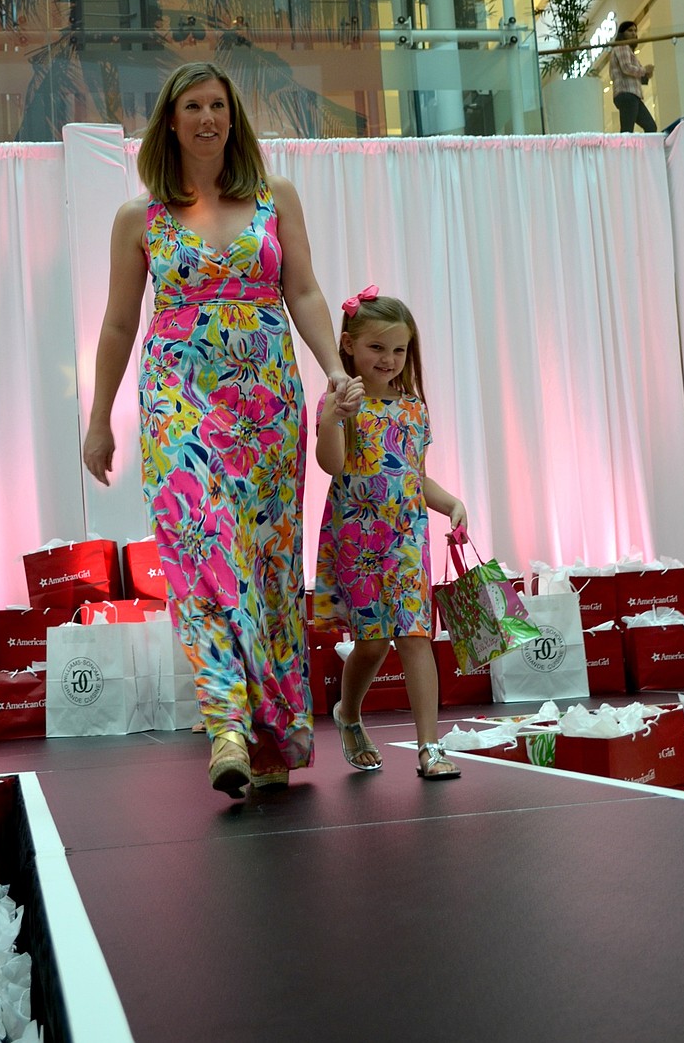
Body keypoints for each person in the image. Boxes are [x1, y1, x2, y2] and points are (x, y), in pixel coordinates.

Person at [82, 61, 363, 799]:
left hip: (266, 404)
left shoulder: (277, 200)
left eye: (218, 105)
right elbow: (117, 324)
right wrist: (98, 418)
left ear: (232, 118)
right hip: (178, 402)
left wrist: (334, 370)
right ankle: (227, 723)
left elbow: (301, 289)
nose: (207, 116)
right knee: (197, 549)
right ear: (169, 121)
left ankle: (271, 733)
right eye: (192, 105)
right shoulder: (137, 219)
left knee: (267, 568)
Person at [314, 287, 468, 780]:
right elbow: (332, 465)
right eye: (377, 347)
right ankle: (348, 713)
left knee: (416, 637)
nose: (389, 359)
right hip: (357, 540)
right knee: (373, 644)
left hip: (406, 540)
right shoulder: (336, 403)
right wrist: (336, 417)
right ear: (348, 347)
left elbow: (413, 476)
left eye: (399, 349)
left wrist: (450, 503)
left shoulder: (414, 409)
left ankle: (429, 747)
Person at [609, 20, 657, 132]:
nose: (634, 33)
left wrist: (645, 75)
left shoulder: (627, 50)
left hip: (631, 95)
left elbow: (630, 73)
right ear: (622, 33)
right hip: (627, 94)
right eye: (630, 30)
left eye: (635, 31)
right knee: (628, 129)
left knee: (650, 127)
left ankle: (640, 149)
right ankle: (627, 149)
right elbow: (626, 67)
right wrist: (644, 70)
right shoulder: (622, 47)